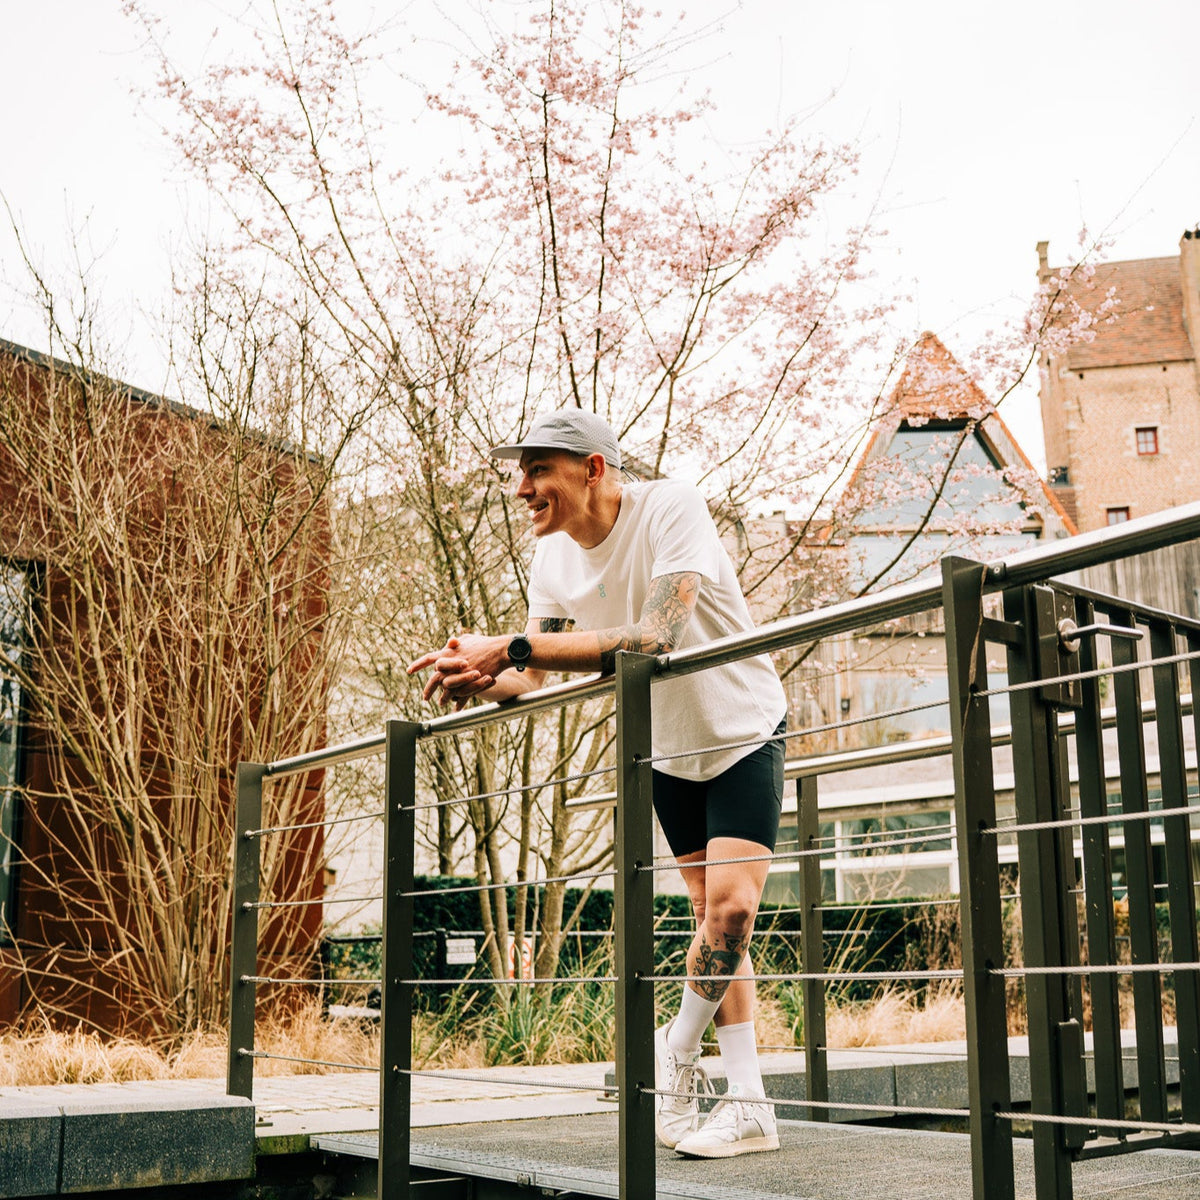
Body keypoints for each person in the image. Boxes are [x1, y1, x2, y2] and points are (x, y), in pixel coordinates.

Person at [407, 408, 787, 1158]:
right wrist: (476, 674)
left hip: (742, 727)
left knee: (734, 912)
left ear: (594, 469)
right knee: (716, 924)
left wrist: (507, 646)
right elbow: (532, 674)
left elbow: (655, 636)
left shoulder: (671, 507)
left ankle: (672, 1049)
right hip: (668, 753)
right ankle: (750, 1106)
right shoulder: (550, 558)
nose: (523, 489)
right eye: (521, 473)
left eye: (539, 470)